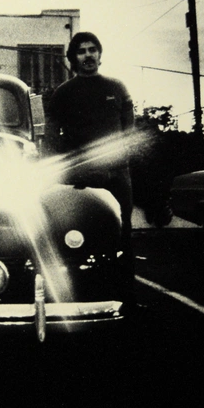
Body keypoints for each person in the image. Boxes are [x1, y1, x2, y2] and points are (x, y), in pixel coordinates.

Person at [46, 31, 137, 309]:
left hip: (116, 175)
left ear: (100, 54)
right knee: (78, 236)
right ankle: (80, 298)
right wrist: (71, 170)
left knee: (123, 234)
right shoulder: (63, 93)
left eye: (92, 50)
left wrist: (120, 162)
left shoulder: (117, 87)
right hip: (81, 180)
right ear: (73, 58)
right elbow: (51, 140)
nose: (88, 55)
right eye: (81, 51)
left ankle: (126, 297)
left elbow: (129, 132)